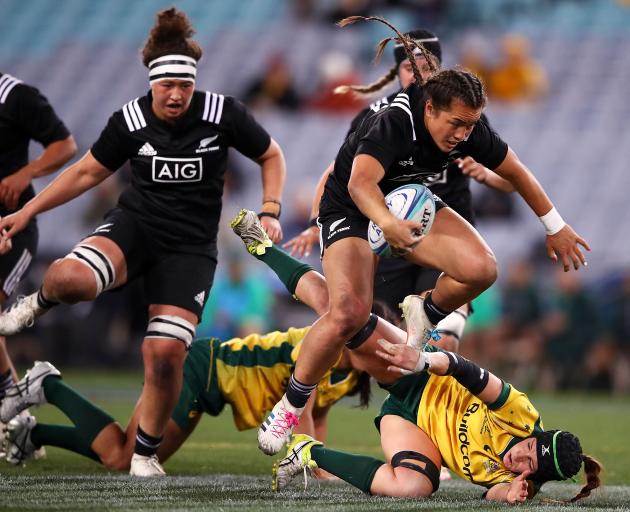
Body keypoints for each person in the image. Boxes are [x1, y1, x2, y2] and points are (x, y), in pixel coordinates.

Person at [257, 15, 589, 457]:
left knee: (482, 269)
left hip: (408, 204)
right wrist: (387, 225)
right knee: (347, 313)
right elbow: (357, 183)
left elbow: (515, 172)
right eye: (456, 125)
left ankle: (423, 313)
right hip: (353, 209)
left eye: (470, 127)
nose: (463, 136)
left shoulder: (466, 124)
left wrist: (556, 226)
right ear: (429, 107)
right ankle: (291, 404)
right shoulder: (396, 120)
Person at [0, 8, 286, 477]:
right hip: (136, 229)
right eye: (166, 86)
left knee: (165, 354)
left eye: (184, 86)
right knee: (69, 277)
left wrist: (271, 208)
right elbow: (88, 171)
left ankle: (144, 455)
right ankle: (40, 302)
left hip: (189, 250)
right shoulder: (130, 119)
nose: (175, 95)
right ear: (151, 82)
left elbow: (270, 153)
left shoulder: (223, 114)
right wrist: (28, 210)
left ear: (195, 84)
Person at [0, 210, 391, 470]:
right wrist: (317, 466)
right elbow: (302, 416)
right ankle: (47, 385)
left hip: (212, 388)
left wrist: (316, 460)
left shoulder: (347, 374)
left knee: (124, 451)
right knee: (124, 456)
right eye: (375, 346)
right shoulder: (322, 345)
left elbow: (315, 416)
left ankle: (33, 431)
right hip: (203, 370)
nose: (380, 357)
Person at [284, 27, 514, 352]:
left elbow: (508, 179)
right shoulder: (379, 118)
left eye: (428, 66)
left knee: (441, 339)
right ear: (397, 72)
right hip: (391, 238)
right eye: (409, 66)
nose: (419, 73)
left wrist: (486, 176)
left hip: (444, 238)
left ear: (442, 71)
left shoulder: (465, 118)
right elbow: (340, 172)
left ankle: (428, 396)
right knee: (369, 344)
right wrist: (314, 222)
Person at [272, 340, 603, 504]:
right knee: (356, 328)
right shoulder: (520, 414)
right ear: (537, 435)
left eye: (528, 464)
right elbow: (465, 369)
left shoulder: (524, 485)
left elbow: (495, 494)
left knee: (414, 487)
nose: (518, 458)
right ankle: (268, 250)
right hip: (423, 379)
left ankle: (308, 451)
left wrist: (510, 496)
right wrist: (423, 359)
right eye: (529, 447)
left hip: (413, 426)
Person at [0, 71, 77, 419]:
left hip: (13, 226)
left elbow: (65, 144)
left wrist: (26, 173)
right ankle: (17, 416)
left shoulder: (16, 97)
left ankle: (16, 411)